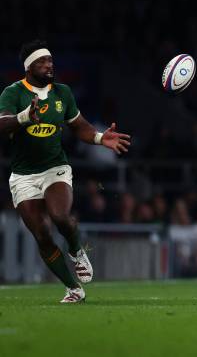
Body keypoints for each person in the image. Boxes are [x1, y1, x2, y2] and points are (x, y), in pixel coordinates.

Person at [0, 40, 131, 303]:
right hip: (24, 175)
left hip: (55, 168)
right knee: (41, 233)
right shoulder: (13, 93)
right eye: (42, 61)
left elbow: (78, 125)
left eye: (50, 60)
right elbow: (2, 125)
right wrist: (25, 117)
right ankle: (74, 288)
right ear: (28, 68)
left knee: (60, 216)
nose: (49, 65)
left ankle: (75, 249)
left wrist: (98, 138)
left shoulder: (63, 93)